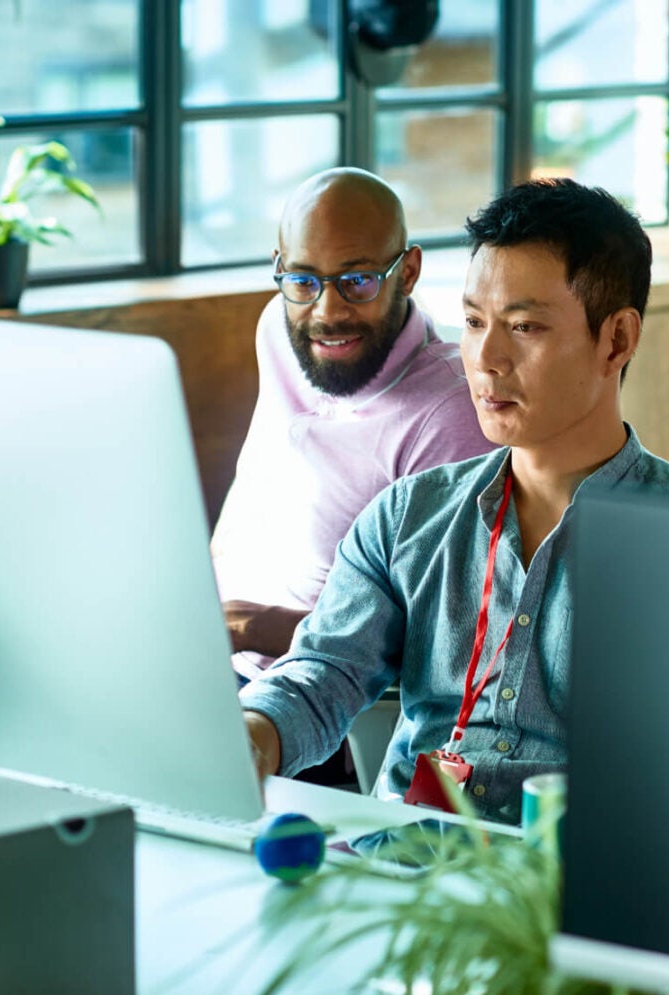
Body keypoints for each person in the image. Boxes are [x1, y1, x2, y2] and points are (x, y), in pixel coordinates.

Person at [239, 177, 669, 825]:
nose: (486, 358)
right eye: (474, 322)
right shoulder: (405, 518)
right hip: (405, 869)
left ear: (615, 341)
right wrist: (253, 732)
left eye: (524, 326)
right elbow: (325, 671)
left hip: (576, 892)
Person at [210, 168, 494, 677]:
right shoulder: (278, 328)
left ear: (407, 272)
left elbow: (443, 638)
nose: (326, 311)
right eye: (302, 280)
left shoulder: (450, 413)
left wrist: (250, 628)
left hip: (318, 699)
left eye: (357, 281)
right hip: (211, 656)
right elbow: (256, 489)